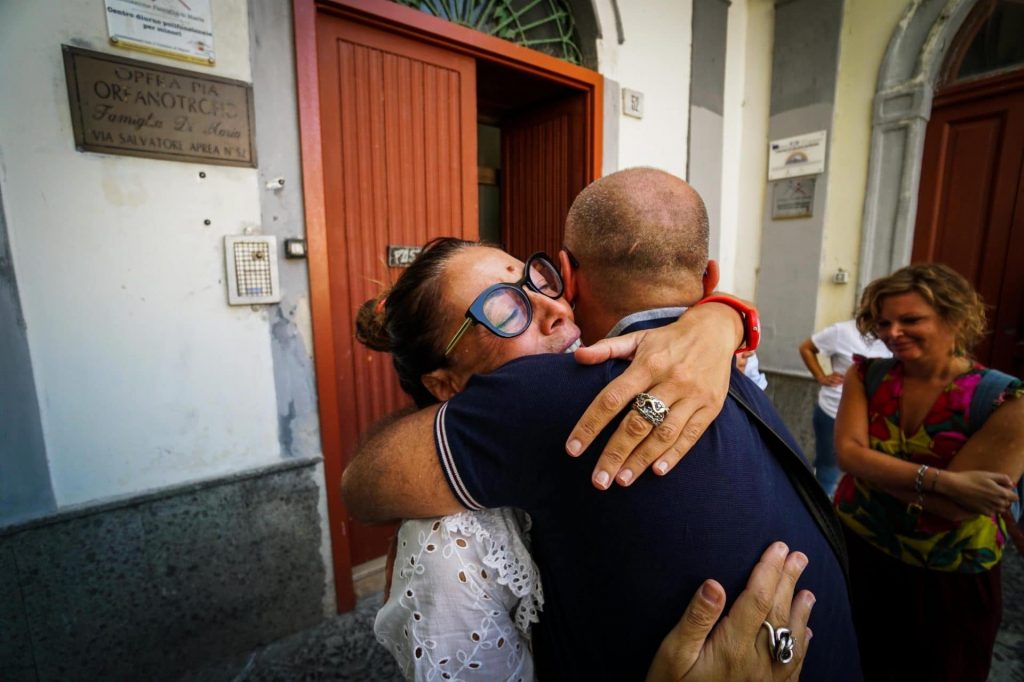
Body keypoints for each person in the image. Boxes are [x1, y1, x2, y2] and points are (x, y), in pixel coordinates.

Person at [344, 168, 860, 680]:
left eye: (536, 279)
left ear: (565, 275)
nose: (552, 308)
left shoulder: (638, 376)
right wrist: (720, 314)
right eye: (503, 307)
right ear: (444, 386)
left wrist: (719, 318)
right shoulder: (452, 531)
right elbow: (362, 486)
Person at [833, 263, 1024, 681]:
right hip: (861, 553)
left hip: (949, 578)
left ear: (955, 318)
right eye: (883, 322)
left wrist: (875, 472)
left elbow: (952, 511)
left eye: (911, 319)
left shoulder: (1006, 399)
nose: (892, 332)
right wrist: (946, 480)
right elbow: (847, 455)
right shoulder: (867, 374)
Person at [799, 319, 890, 496]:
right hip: (833, 410)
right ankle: (821, 516)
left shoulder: (891, 336)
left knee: (864, 474)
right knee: (829, 469)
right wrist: (821, 376)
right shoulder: (842, 331)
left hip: (874, 415)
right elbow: (806, 348)